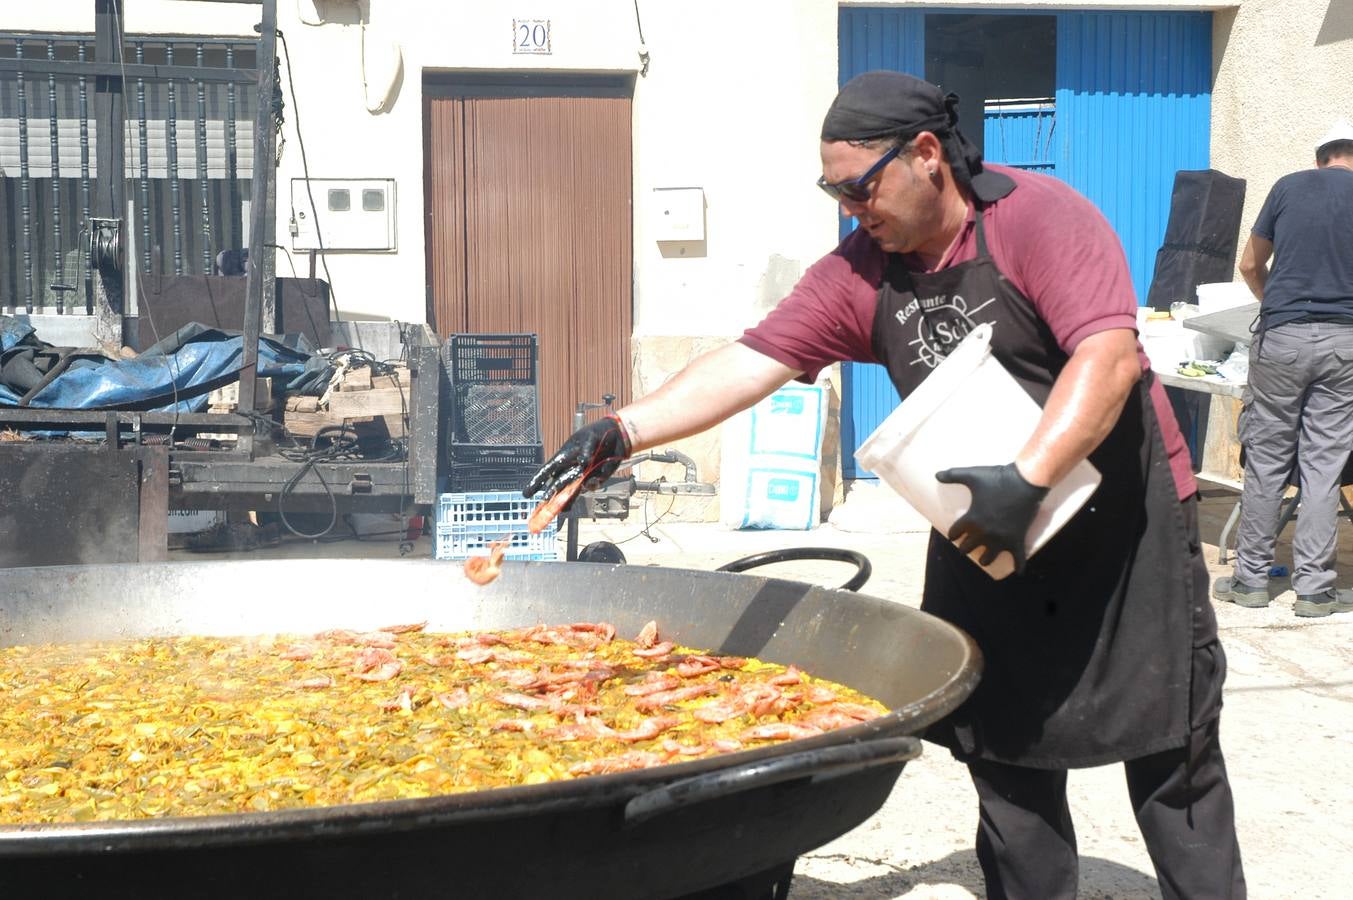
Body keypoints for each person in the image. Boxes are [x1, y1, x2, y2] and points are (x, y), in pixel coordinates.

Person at [525, 71, 1245, 899]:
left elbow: (1109, 357)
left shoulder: (1040, 220)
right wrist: (622, 430)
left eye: (857, 187)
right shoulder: (861, 272)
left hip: (1125, 527)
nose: (848, 209)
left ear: (926, 155)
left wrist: (1029, 479)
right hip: (986, 524)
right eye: (832, 190)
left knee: (1171, 756)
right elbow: (751, 360)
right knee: (1003, 751)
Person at [1212, 119, 1353, 619]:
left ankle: (1250, 580)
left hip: (1283, 339)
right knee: (1324, 466)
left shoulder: (1289, 186)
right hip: (1346, 344)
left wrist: (1279, 305)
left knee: (1267, 460)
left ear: (1320, 158)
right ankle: (1315, 590)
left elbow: (1250, 264)